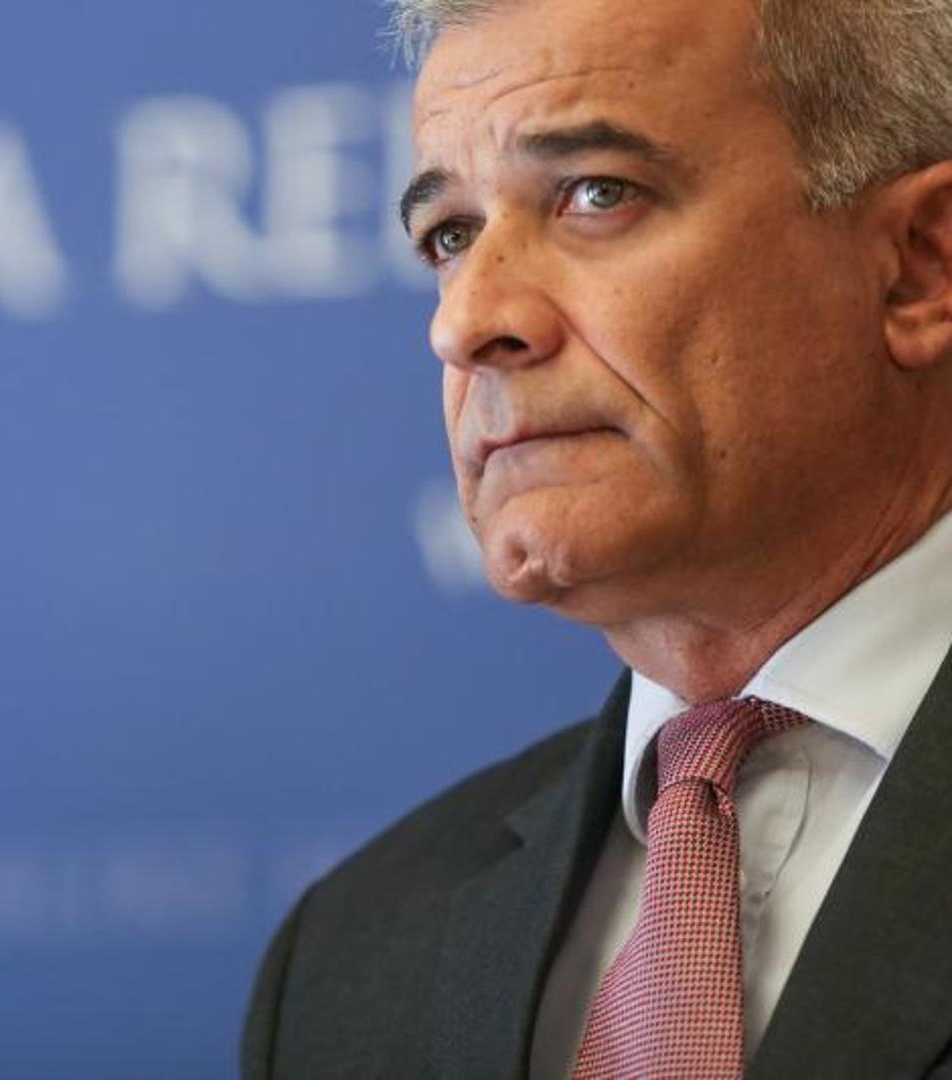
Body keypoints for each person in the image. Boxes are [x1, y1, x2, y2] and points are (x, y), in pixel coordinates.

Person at [241, 0, 952, 1076]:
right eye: (449, 235)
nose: (463, 321)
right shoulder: (349, 959)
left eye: (595, 194)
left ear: (917, 265)